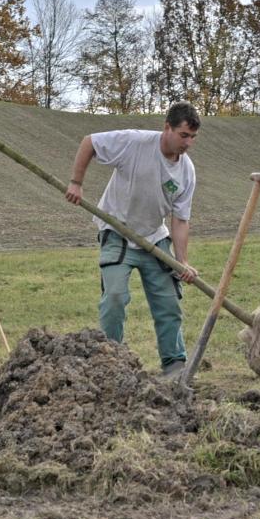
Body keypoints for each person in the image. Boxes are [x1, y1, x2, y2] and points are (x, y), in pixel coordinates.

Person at [65, 102, 201, 376]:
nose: (188, 143)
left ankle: (174, 364)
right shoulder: (134, 142)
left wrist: (182, 261)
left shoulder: (186, 171)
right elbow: (89, 142)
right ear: (167, 128)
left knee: (168, 302)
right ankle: (110, 364)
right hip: (117, 231)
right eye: (184, 135)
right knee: (115, 297)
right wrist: (76, 182)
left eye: (193, 137)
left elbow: (180, 220)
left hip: (154, 237)